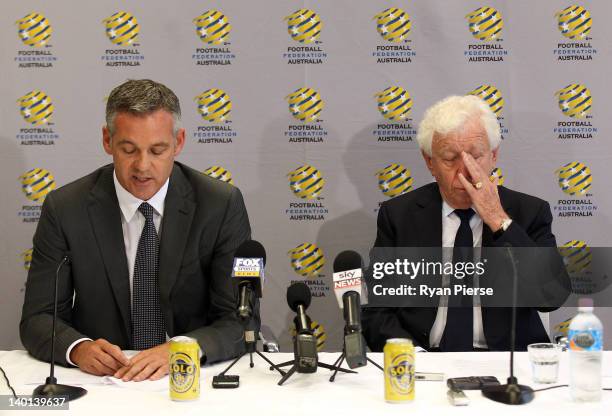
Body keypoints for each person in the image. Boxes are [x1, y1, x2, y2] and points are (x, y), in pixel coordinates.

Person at [20, 79, 254, 381]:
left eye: (158, 150)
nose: (143, 166)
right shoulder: (66, 208)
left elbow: (241, 319)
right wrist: (78, 348)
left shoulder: (220, 205)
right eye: (128, 149)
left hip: (189, 379)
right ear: (107, 140)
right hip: (103, 380)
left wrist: (181, 349)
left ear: (179, 142)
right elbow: (38, 317)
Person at [362, 95, 570, 352]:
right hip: (424, 362)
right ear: (430, 162)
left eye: (476, 156)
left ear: (493, 157)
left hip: (507, 362)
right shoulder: (399, 216)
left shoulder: (529, 212)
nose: (464, 172)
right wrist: (413, 358)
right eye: (450, 159)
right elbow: (377, 311)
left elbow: (552, 297)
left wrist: (498, 219)